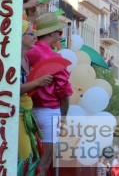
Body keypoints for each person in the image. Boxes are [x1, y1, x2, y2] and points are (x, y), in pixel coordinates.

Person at [25, 12, 73, 176]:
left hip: (25, 112)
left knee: (25, 161)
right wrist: (64, 118)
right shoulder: (54, 58)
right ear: (52, 33)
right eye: (59, 32)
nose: (60, 36)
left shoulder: (26, 52)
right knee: (43, 164)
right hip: (49, 114)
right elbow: (64, 94)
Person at [19, 20, 53, 175]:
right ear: (19, 37)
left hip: (27, 113)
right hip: (17, 114)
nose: (35, 37)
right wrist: (38, 82)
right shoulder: (12, 60)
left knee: (32, 156)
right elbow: (12, 90)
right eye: (31, 34)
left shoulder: (26, 59)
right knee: (25, 157)